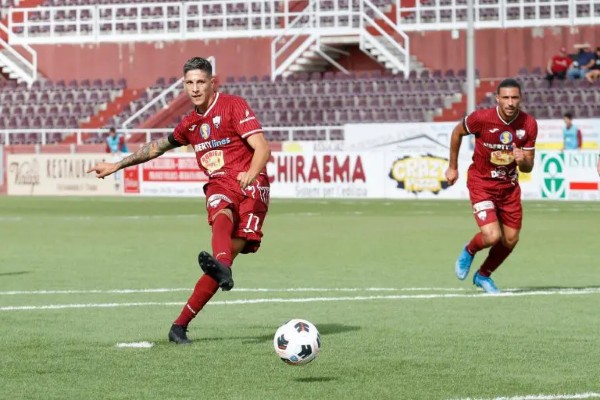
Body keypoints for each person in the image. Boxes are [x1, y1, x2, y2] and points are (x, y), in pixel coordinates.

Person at [87, 57, 272, 344]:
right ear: (184, 85)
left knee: (227, 256)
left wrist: (251, 173)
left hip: (252, 186)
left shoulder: (233, 105)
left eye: (200, 82)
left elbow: (262, 147)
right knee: (220, 211)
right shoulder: (189, 124)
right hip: (220, 184)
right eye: (189, 83)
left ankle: (181, 323)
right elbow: (156, 148)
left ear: (212, 83)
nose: (195, 88)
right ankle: (197, 302)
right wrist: (116, 165)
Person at [444, 78, 538, 293]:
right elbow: (457, 132)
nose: (510, 102)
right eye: (505, 97)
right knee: (492, 236)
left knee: (511, 239)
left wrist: (522, 159)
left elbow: (528, 167)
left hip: (509, 188)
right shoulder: (481, 118)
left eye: (514, 97)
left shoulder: (529, 124)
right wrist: (452, 167)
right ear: (497, 98)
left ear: (520, 98)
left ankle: (483, 275)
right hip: (482, 183)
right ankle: (469, 250)